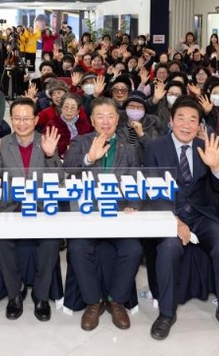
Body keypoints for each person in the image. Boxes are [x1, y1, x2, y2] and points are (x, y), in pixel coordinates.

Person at [143, 96, 219, 342]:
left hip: (201, 214)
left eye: (192, 120)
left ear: (200, 124)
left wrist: (216, 167)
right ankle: (166, 313)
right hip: (169, 213)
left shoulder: (206, 146)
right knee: (168, 249)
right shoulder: (155, 147)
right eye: (181, 118)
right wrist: (175, 220)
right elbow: (151, 190)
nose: (186, 125)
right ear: (171, 121)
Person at [63, 97, 142, 331]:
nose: (105, 122)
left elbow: (135, 178)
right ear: (92, 120)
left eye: (110, 116)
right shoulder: (80, 142)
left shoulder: (129, 147)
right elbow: (68, 166)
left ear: (118, 120)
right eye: (100, 116)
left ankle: (116, 301)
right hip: (87, 213)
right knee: (77, 249)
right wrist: (90, 158)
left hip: (118, 214)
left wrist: (133, 204)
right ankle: (93, 302)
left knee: (133, 250)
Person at [0, 98, 62, 322]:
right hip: (11, 209)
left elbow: (59, 179)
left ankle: (41, 296)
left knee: (51, 242)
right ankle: (14, 293)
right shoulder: (1, 144)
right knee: (1, 243)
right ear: (11, 119)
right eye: (16, 118)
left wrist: (50, 156)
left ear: (36, 120)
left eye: (27, 118)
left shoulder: (46, 142)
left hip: (41, 209)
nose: (21, 122)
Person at [46, 92, 92, 158]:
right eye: (66, 107)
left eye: (73, 107)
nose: (69, 110)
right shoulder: (52, 124)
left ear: (78, 111)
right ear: (61, 108)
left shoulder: (85, 124)